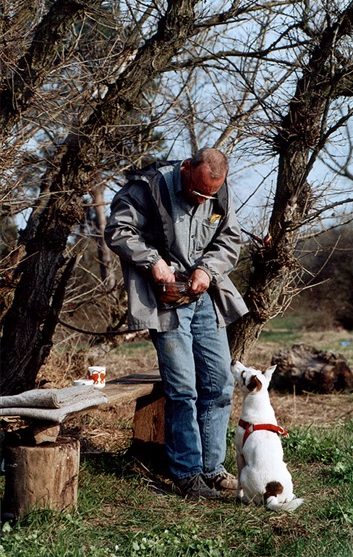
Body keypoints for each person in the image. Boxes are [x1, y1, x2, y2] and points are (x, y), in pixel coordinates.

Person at [104, 148, 248, 499]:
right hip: (164, 302)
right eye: (197, 192)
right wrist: (153, 261)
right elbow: (118, 231)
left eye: (209, 195)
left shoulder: (219, 193)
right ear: (185, 168)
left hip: (204, 299)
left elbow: (230, 240)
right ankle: (187, 473)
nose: (202, 200)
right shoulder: (147, 187)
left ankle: (213, 469)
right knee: (183, 388)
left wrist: (206, 269)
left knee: (220, 384)